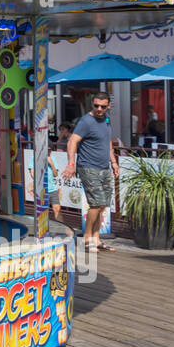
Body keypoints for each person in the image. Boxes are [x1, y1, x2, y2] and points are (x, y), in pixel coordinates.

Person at [62, 92, 119, 253]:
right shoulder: (86, 121)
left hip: (104, 167)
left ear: (108, 106)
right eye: (96, 106)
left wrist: (113, 162)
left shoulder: (106, 119)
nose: (99, 109)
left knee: (103, 206)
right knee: (96, 204)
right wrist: (71, 164)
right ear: (92, 105)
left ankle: (97, 239)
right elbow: (72, 140)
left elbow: (107, 141)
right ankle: (87, 239)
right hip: (88, 167)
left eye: (103, 106)